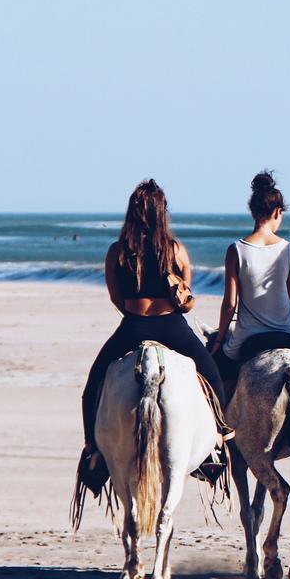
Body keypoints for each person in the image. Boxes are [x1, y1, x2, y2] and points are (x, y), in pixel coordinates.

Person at [78, 179, 232, 491]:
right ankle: (216, 442)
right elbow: (186, 296)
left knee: (94, 383)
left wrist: (136, 316)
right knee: (212, 375)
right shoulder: (175, 250)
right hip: (172, 327)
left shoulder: (117, 252)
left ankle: (93, 450)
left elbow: (116, 297)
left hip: (133, 326)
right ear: (162, 212)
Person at [209, 171, 290, 388]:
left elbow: (230, 305)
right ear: (278, 212)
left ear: (252, 212)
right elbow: (288, 295)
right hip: (289, 334)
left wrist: (219, 340)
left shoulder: (236, 250)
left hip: (247, 338)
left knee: (213, 378)